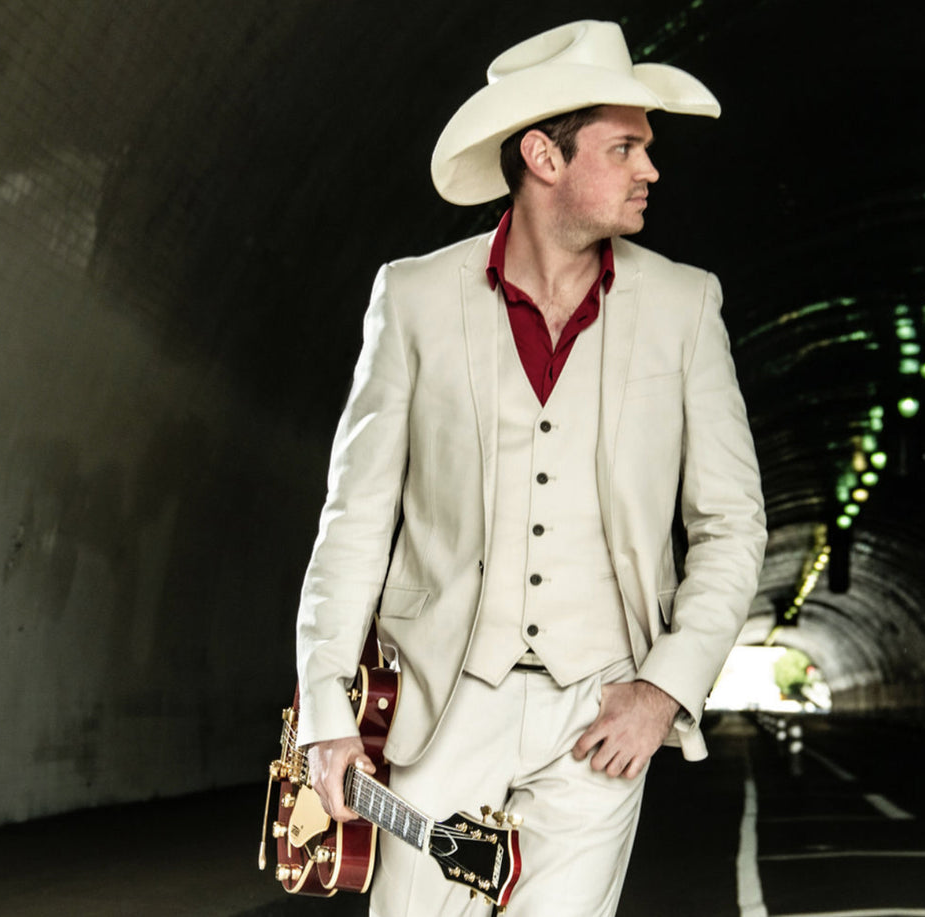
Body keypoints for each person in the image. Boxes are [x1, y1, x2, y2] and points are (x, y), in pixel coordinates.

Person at [293, 19, 766, 917]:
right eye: (625, 147)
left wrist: (665, 686)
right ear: (544, 156)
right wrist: (327, 714)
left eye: (648, 149)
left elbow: (732, 523)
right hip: (436, 709)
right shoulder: (415, 297)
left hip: (601, 714)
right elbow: (353, 519)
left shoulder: (684, 305)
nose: (649, 170)